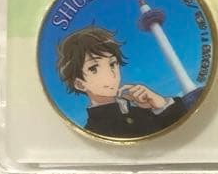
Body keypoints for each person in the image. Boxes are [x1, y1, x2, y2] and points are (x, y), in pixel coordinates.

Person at [56, 26, 186, 139]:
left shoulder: (143, 109)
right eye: (93, 68)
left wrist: (161, 104)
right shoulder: (95, 130)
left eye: (112, 64)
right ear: (80, 84)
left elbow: (182, 133)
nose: (110, 74)